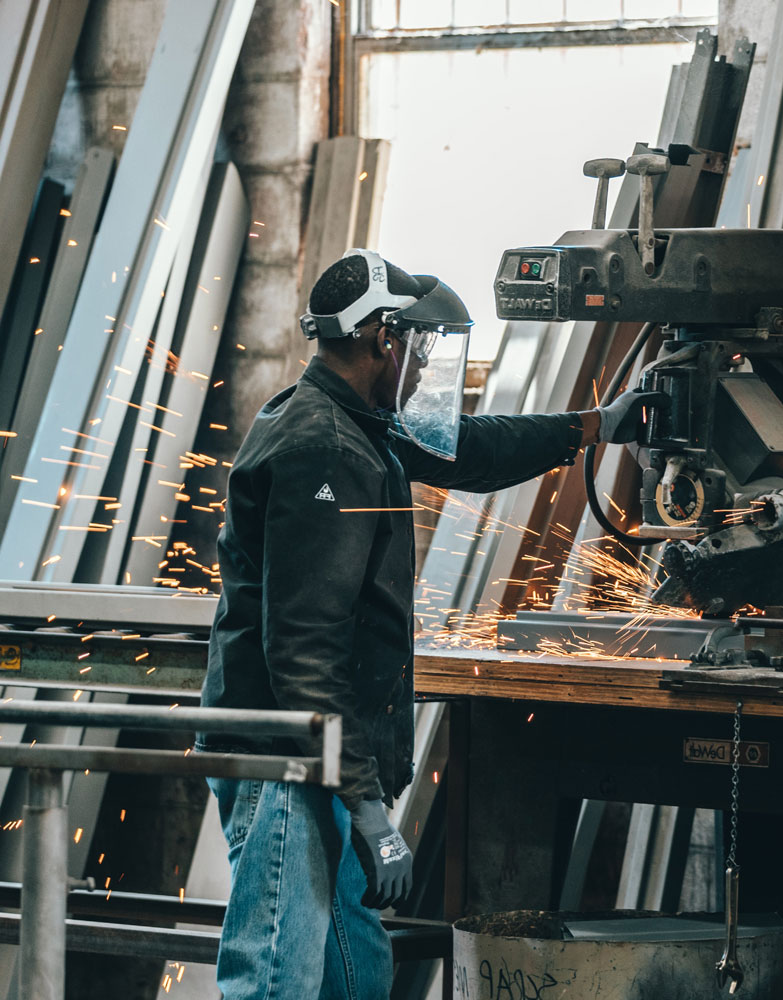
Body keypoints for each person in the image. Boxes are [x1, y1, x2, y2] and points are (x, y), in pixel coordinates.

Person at [195, 249, 660, 998]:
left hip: (327, 764)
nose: (422, 365)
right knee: (275, 978)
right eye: (420, 346)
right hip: (290, 762)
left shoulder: (356, 423)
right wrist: (371, 810)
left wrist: (594, 425)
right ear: (384, 336)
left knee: (356, 976)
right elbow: (305, 650)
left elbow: (470, 449)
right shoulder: (323, 445)